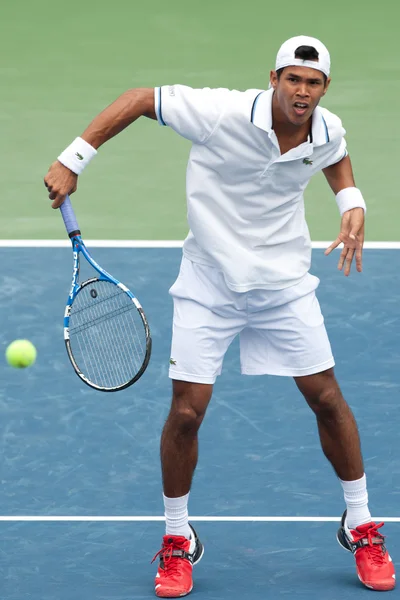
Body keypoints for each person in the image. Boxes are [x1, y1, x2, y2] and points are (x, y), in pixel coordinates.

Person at [44, 35, 395, 596]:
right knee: (186, 412)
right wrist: (74, 157)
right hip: (210, 284)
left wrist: (351, 203)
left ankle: (361, 525)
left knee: (327, 399)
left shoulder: (326, 127)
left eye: (313, 83)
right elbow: (139, 98)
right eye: (292, 79)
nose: (302, 92)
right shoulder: (220, 112)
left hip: (283, 286)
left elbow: (333, 156)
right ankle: (177, 539)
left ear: (324, 88)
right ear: (274, 78)